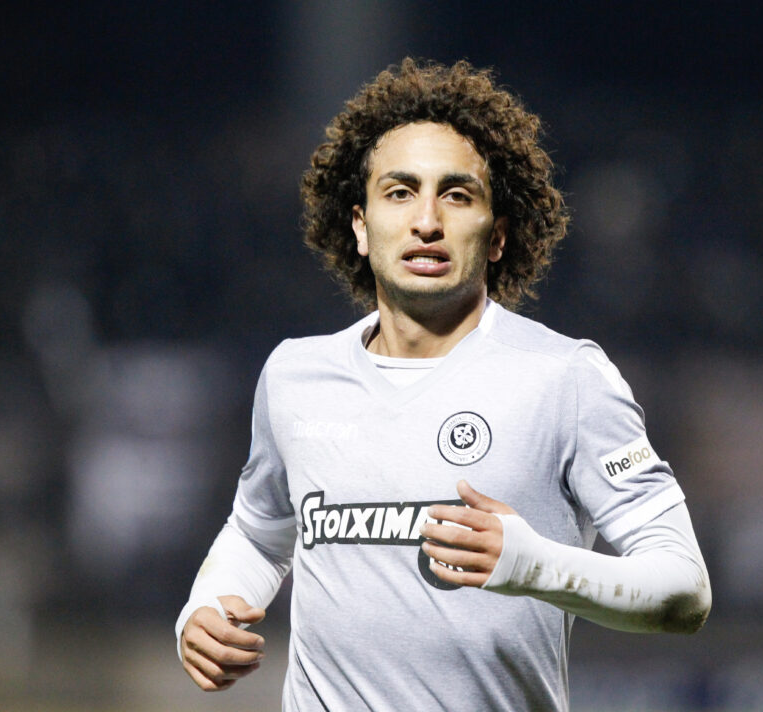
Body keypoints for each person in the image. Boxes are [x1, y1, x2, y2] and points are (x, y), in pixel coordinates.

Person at [176, 58, 711, 711]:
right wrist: (205, 608)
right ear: (360, 225)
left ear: (498, 236)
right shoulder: (296, 376)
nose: (426, 220)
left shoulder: (566, 378)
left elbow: (684, 588)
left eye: (457, 195)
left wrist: (535, 566)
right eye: (400, 192)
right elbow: (259, 534)